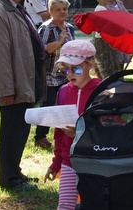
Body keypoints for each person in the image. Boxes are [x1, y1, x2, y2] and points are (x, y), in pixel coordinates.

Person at [0, 0, 44, 191]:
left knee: (20, 131)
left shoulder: (15, 9)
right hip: (14, 87)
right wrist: (6, 89)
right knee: (11, 132)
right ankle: (9, 180)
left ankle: (15, 172)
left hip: (23, 82)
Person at [43, 40, 101, 210]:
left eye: (75, 69)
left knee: (94, 204)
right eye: (65, 70)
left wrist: (81, 131)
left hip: (94, 162)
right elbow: (58, 133)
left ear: (90, 64)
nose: (69, 74)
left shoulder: (101, 91)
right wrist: (56, 163)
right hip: (69, 162)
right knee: (65, 206)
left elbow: (108, 129)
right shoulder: (62, 92)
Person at [35, 0, 74, 150]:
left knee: (66, 105)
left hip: (66, 75)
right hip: (49, 75)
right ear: (50, 11)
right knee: (49, 105)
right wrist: (59, 41)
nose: (62, 12)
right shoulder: (46, 28)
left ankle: (65, 134)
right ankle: (40, 136)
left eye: (64, 9)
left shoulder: (69, 27)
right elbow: (41, 50)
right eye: (58, 10)